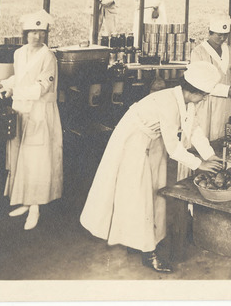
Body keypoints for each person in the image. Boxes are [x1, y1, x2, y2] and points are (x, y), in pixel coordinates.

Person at [80, 62, 223, 273]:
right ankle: (148, 252)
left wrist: (210, 156)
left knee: (156, 190)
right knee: (139, 194)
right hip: (133, 140)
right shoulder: (168, 103)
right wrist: (199, 165)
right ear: (194, 91)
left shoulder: (186, 102)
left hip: (152, 139)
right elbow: (174, 149)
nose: (205, 98)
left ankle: (142, 238)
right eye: (204, 94)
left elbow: (194, 129)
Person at [0, 10, 63, 231]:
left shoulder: (48, 56)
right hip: (21, 110)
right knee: (19, 155)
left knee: (36, 160)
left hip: (40, 112)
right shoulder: (19, 53)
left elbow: (41, 88)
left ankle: (35, 207)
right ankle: (24, 200)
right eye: (32, 32)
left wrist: (14, 92)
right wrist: (4, 84)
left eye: (41, 32)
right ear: (25, 33)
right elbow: (19, 77)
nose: (37, 36)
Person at [190, 14, 231, 143]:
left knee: (223, 137)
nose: (222, 38)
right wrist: (226, 91)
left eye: (225, 35)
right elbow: (198, 82)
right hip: (205, 102)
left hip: (225, 104)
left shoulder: (229, 51)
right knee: (203, 137)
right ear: (210, 33)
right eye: (219, 35)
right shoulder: (198, 52)